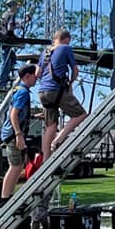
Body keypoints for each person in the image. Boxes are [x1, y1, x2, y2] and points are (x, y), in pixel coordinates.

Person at [37, 28, 87, 159]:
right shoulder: (66, 48)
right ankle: (59, 139)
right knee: (80, 115)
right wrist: (70, 83)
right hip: (56, 90)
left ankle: (46, 159)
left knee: (50, 126)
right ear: (66, 40)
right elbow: (75, 70)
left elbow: (38, 73)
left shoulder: (45, 52)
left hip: (42, 91)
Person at [0, 63, 38, 210]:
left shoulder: (18, 89)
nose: (36, 79)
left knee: (18, 165)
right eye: (35, 76)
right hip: (13, 134)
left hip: (11, 132)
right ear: (27, 76)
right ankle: (3, 200)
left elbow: (19, 113)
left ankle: (8, 196)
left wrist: (34, 115)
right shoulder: (23, 92)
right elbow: (14, 114)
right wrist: (18, 134)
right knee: (15, 166)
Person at [0, 0, 22, 85]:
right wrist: (18, 26)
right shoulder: (11, 14)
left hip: (4, 39)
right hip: (8, 40)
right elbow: (10, 28)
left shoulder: (4, 14)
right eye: (16, 6)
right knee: (7, 62)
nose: (17, 8)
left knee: (12, 59)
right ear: (13, 6)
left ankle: (5, 76)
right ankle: (2, 82)